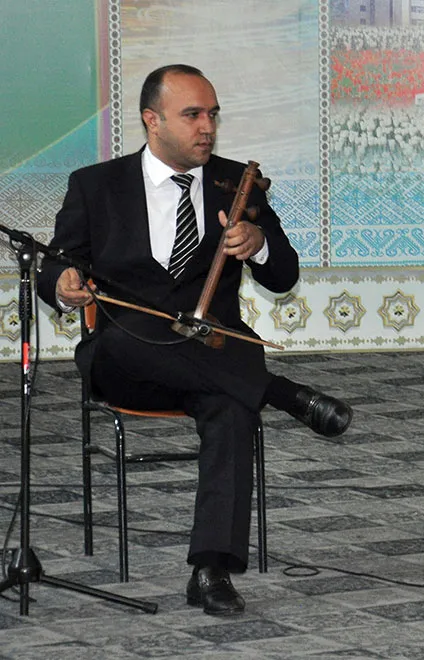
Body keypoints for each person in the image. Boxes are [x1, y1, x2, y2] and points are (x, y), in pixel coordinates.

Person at [36, 64, 354, 617]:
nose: (207, 127)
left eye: (213, 115)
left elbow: (284, 275)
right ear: (152, 120)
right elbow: (57, 265)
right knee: (125, 340)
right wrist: (63, 285)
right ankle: (278, 391)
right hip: (127, 361)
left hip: (212, 357)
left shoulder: (237, 183)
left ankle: (211, 569)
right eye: (192, 115)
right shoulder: (96, 185)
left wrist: (257, 243)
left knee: (231, 408)